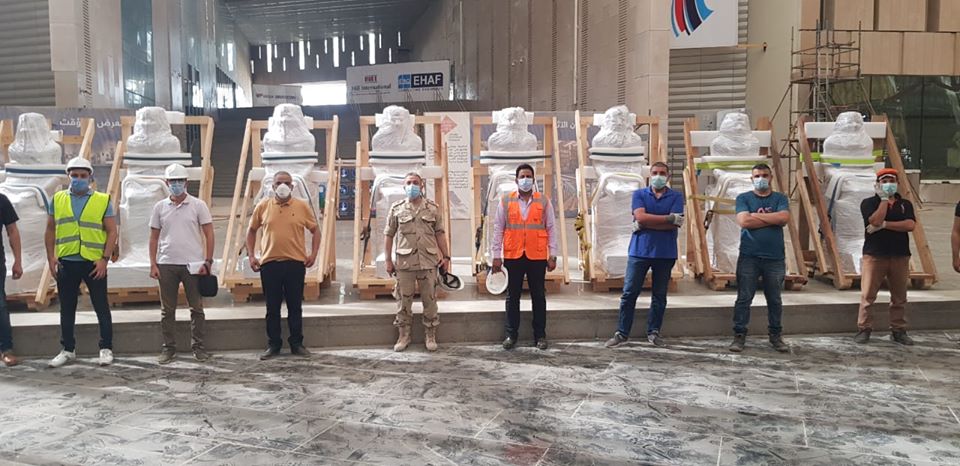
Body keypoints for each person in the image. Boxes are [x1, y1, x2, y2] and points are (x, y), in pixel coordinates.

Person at [45, 157, 117, 368]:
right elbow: (50, 229)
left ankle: (106, 348)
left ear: (90, 177)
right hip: (67, 262)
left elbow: (112, 231)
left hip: (94, 263)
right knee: (67, 308)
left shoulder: (102, 200)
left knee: (101, 306)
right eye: (74, 175)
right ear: (68, 177)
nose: (78, 179)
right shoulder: (57, 199)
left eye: (83, 176)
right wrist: (50, 257)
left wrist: (104, 259)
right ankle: (67, 349)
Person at [605, 162, 684, 348]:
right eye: (655, 173)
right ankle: (622, 333)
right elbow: (641, 216)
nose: (658, 176)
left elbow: (675, 223)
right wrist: (667, 219)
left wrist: (647, 223)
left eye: (662, 173)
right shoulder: (639, 194)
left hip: (665, 253)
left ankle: (654, 332)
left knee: (659, 295)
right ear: (649, 175)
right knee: (629, 293)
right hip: (639, 252)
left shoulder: (676, 196)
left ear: (668, 176)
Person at [246, 171, 320, 360]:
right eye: (279, 182)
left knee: (295, 306)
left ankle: (297, 343)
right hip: (270, 265)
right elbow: (251, 230)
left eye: (287, 183)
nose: (283, 186)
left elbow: (315, 230)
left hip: (295, 264)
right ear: (272, 186)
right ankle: (274, 344)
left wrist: (313, 254)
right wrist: (252, 255)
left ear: (293, 186)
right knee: (272, 307)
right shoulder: (263, 206)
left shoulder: (301, 206)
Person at [149, 163, 215, 364]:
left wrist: (208, 260)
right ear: (167, 182)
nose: (176, 184)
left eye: (179, 181)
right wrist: (153, 264)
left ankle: (199, 347)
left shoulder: (198, 205)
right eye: (172, 181)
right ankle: (168, 348)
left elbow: (209, 233)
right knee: (167, 310)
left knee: (196, 308)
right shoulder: (160, 207)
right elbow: (153, 237)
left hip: (193, 265)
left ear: (186, 182)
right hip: (166, 263)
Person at [491, 163, 560, 350]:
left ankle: (540, 335)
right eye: (522, 176)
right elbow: (498, 229)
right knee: (512, 296)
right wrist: (496, 255)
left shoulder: (543, 201)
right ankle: (511, 334)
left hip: (536, 256)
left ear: (533, 179)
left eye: (528, 176)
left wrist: (553, 255)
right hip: (513, 255)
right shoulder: (506, 201)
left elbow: (551, 228)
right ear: (516, 180)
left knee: (538, 296)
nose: (525, 180)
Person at [384, 172, 450, 352]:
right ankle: (403, 335)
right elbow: (388, 235)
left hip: (428, 262)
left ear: (422, 186)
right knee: (403, 301)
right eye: (408, 183)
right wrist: (388, 260)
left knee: (430, 300)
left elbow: (440, 233)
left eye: (415, 182)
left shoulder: (432, 208)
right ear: (404, 186)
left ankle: (430, 334)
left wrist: (446, 257)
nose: (412, 186)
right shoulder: (397, 208)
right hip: (404, 263)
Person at [729, 163, 790, 353]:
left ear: (771, 177)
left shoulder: (780, 198)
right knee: (744, 298)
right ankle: (739, 335)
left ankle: (775, 335)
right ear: (751, 179)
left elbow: (783, 219)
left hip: (775, 258)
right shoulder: (743, 198)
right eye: (757, 176)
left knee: (775, 299)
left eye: (764, 175)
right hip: (750, 256)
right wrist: (772, 218)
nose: (761, 179)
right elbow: (744, 221)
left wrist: (755, 216)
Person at [855, 168, 916, 345]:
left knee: (899, 296)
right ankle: (864, 328)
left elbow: (910, 225)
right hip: (875, 254)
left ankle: (898, 330)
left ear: (897, 183)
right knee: (868, 295)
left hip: (900, 254)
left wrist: (885, 225)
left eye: (892, 181)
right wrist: (883, 200)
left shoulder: (905, 204)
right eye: (884, 181)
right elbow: (874, 220)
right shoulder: (868, 203)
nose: (889, 184)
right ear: (878, 184)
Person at [0, 193, 23, 366]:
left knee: (0, 305)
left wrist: (18, 261)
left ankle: (6, 349)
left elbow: (12, 230)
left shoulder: (1, 201)